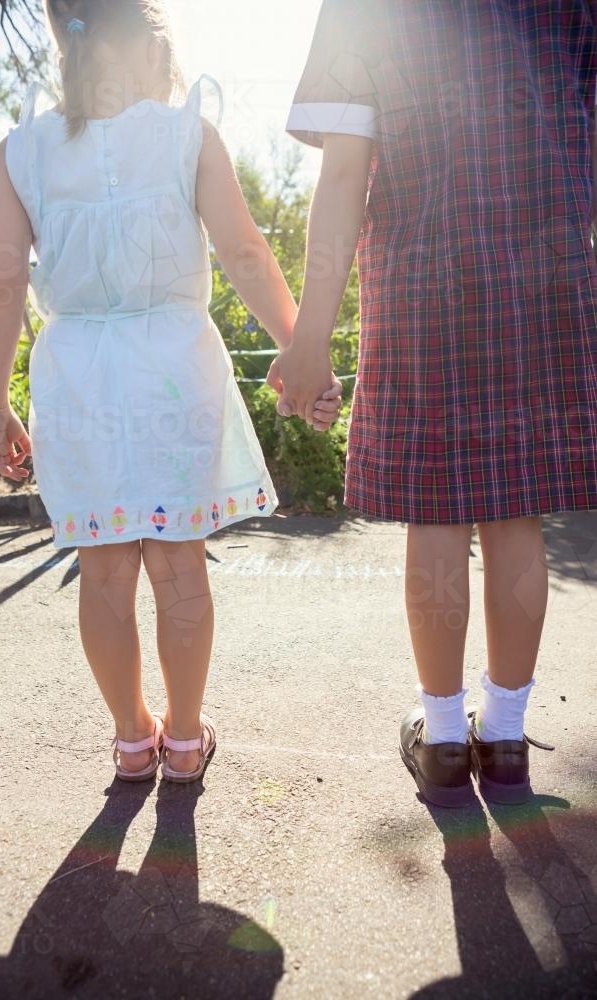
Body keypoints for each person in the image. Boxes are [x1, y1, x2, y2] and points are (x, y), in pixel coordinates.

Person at [0, 0, 340, 784]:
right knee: (179, 565)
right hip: (174, 365)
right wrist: (294, 346)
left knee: (104, 570)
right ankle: (182, 736)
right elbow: (243, 250)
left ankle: (130, 736)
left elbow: (0, 283)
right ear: (150, 48)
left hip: (76, 376)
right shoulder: (186, 134)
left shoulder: (21, 153)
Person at [271, 0, 597, 806]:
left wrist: (310, 337)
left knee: (438, 512)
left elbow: (344, 173)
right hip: (547, 275)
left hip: (421, 280)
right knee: (519, 510)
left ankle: (445, 738)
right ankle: (507, 734)